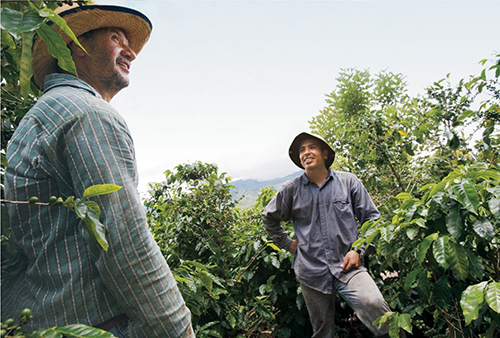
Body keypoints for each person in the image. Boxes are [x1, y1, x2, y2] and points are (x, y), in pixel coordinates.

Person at [2, 4, 194, 337]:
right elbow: (125, 242)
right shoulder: (88, 114)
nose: (130, 51)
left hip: (39, 319)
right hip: (93, 324)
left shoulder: (38, 117)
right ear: (76, 45)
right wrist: (176, 328)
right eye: (115, 37)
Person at [262, 132, 392, 337]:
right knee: (322, 330)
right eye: (302, 150)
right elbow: (269, 217)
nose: (306, 153)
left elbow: (372, 219)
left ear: (324, 153)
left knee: (375, 305)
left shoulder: (348, 182)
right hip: (311, 270)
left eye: (311, 147)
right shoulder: (291, 189)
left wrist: (358, 250)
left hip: (348, 265)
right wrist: (287, 243)